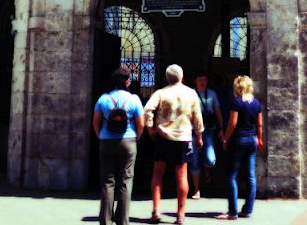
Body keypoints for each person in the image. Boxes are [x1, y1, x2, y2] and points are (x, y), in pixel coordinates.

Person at [144, 64, 204, 225]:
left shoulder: (161, 93)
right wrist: (199, 136)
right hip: (183, 138)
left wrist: (150, 127)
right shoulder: (191, 93)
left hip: (164, 137)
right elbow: (197, 117)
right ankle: (180, 214)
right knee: (182, 175)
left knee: (158, 172)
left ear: (167, 78)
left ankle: (156, 210)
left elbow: (148, 109)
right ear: (182, 78)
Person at [93, 66, 145, 225]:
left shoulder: (103, 99)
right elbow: (141, 124)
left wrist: (101, 136)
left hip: (106, 141)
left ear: (113, 82)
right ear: (128, 82)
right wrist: (135, 139)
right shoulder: (134, 99)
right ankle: (122, 221)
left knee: (107, 182)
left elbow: (95, 122)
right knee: (125, 182)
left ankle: (105, 220)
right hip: (128, 141)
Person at [217, 76, 263, 220]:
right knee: (250, 176)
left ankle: (232, 212)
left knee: (231, 176)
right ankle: (247, 210)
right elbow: (259, 124)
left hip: (239, 140)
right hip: (252, 140)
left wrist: (226, 139)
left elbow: (233, 123)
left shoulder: (236, 102)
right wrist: (259, 139)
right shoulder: (256, 103)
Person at [189, 69, 224, 200]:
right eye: (200, 80)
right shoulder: (191, 94)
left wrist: (221, 128)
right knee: (194, 161)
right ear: (195, 81)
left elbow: (217, 111)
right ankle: (196, 189)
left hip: (208, 129)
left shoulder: (212, 94)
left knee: (210, 159)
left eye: (204, 80)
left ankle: (207, 169)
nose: (202, 82)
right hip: (193, 130)